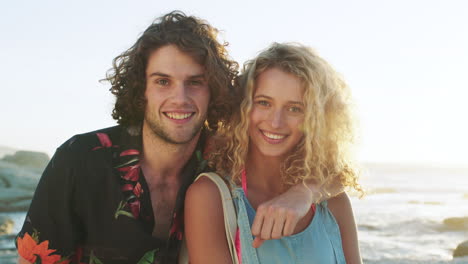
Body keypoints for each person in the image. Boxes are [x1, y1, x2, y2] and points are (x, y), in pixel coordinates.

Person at [15, 12, 341, 264]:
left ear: (212, 88)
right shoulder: (80, 159)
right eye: (163, 82)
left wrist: (304, 192)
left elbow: (332, 169)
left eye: (194, 82)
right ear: (140, 88)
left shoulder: (221, 154)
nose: (180, 98)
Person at [185, 43, 363, 263]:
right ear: (243, 107)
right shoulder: (211, 197)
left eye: (294, 108)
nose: (276, 122)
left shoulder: (333, 202)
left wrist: (304, 193)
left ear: (316, 120)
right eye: (264, 103)